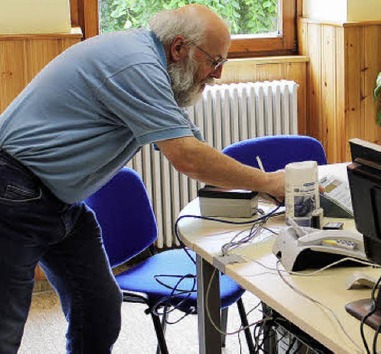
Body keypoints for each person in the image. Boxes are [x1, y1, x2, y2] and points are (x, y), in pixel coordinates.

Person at [0, 4, 284, 353]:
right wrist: (269, 182)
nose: (217, 75)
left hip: (57, 200)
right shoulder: (137, 65)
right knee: (4, 329)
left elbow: (189, 146)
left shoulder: (148, 61)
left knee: (99, 311)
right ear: (179, 47)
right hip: (13, 194)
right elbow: (189, 157)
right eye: (215, 61)